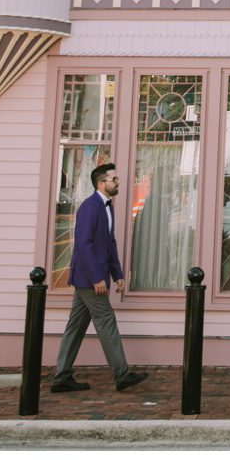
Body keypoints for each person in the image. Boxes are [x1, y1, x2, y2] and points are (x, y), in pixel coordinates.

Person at [49, 162, 148, 393]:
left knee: (75, 327)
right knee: (106, 322)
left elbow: (109, 243)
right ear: (101, 183)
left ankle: (61, 377)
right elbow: (84, 245)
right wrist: (97, 278)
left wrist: (118, 274)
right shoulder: (90, 207)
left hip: (94, 277)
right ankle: (122, 375)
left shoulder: (107, 207)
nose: (118, 182)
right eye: (114, 179)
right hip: (88, 280)